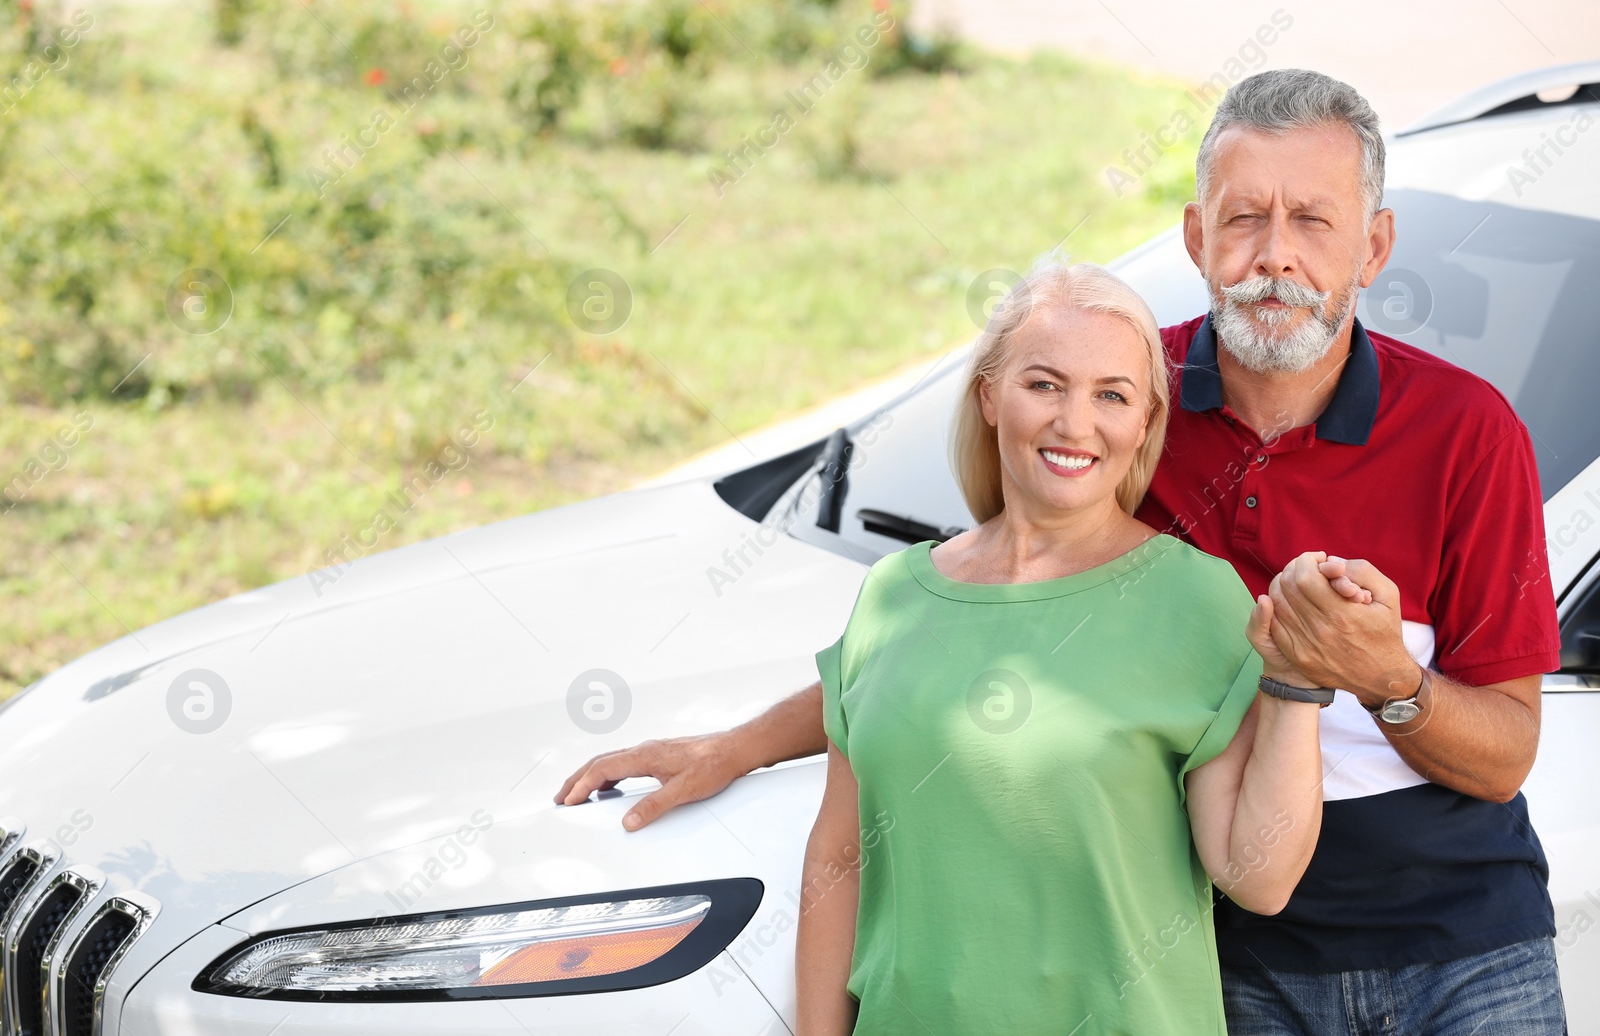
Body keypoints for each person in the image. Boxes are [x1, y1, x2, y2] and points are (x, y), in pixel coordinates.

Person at [556, 69, 1567, 1035]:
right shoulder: (1120, 399)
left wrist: (1384, 675)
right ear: (1194, 236)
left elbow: (1504, 751)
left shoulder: (1463, 434)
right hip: (1236, 950)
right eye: (1243, 218)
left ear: (1373, 247)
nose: (1275, 256)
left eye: (1313, 221)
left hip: (1458, 944)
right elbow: (965, 628)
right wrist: (741, 743)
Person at [796, 261, 1328, 1034]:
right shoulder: (891, 595)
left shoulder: (1197, 599)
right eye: (1044, 384)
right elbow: (837, 858)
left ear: (1144, 421)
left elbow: (1261, 877)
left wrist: (1296, 682)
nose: (1075, 424)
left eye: (1111, 395)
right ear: (989, 395)